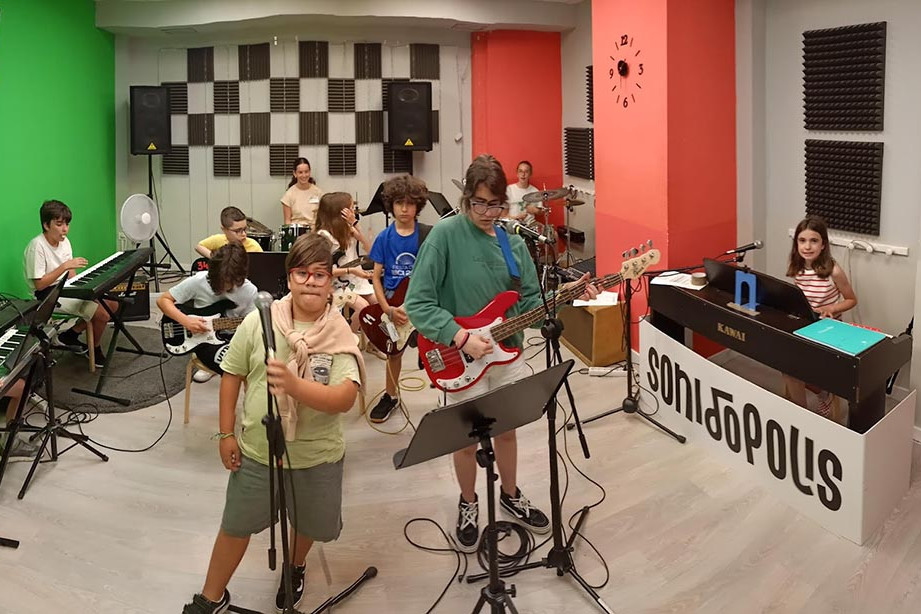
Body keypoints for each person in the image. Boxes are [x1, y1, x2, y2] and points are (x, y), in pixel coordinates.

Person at [404, 154, 598, 552]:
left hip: (506, 355)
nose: (488, 213)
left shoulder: (514, 244)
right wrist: (460, 337)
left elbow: (529, 308)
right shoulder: (445, 236)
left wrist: (565, 296)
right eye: (480, 204)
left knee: (507, 431)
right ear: (466, 199)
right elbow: (418, 304)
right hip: (458, 356)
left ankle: (510, 493)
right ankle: (469, 501)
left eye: (496, 205)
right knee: (465, 441)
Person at [182, 234, 364, 614]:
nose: (310, 282)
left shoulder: (338, 331)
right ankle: (211, 597)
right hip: (258, 452)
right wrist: (226, 433)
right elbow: (232, 374)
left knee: (308, 524)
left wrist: (295, 387)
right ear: (289, 277)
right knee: (236, 524)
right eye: (301, 273)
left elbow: (345, 398)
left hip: (316, 456)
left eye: (319, 274)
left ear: (330, 281)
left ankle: (294, 567)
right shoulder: (259, 321)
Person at [367, 174, 431, 423]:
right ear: (391, 205)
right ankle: (390, 396)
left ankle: (447, 393)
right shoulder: (384, 237)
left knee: (439, 347)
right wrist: (387, 309)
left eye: (410, 203)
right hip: (394, 304)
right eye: (399, 203)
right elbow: (375, 277)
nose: (404, 209)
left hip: (422, 303)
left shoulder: (427, 236)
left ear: (418, 205)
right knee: (393, 354)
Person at [23, 199, 116, 367]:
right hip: (47, 295)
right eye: (59, 224)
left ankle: (70, 334)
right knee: (102, 314)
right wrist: (64, 267)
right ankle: (94, 349)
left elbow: (71, 274)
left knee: (112, 304)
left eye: (67, 224)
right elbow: (39, 285)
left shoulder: (65, 241)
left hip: (66, 288)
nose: (65, 229)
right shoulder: (36, 246)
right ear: (46, 225)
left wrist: (83, 289)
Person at [783, 215, 857, 421]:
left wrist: (832, 307)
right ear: (796, 243)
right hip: (806, 326)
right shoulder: (797, 267)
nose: (807, 246)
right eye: (802, 240)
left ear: (823, 244)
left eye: (813, 241)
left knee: (815, 371)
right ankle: (801, 415)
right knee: (788, 368)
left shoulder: (834, 270)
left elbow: (851, 299)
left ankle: (824, 395)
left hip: (829, 330)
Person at [157, 243, 257, 383]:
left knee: (256, 366)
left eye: (228, 283)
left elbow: (254, 323)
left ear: (239, 278)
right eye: (219, 281)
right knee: (232, 369)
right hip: (205, 342)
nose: (223, 287)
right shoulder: (199, 281)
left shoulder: (249, 291)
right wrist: (186, 321)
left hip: (235, 339)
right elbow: (163, 300)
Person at [313, 192, 375, 333]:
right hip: (337, 284)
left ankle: (372, 341)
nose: (353, 211)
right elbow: (321, 270)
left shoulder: (347, 229)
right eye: (351, 208)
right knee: (363, 307)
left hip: (355, 280)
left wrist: (357, 229)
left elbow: (371, 252)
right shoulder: (324, 236)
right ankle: (349, 338)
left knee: (378, 304)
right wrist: (351, 270)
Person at [195, 206, 264, 258]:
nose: (243, 234)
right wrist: (215, 259)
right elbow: (199, 247)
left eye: (245, 229)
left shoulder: (254, 246)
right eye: (237, 231)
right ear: (224, 229)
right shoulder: (218, 240)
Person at [281, 157, 324, 227]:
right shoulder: (289, 195)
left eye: (306, 172)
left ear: (310, 172)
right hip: (297, 231)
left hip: (314, 231)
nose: (304, 175)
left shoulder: (318, 192)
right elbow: (287, 221)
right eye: (300, 172)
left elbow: (323, 218)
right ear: (295, 174)